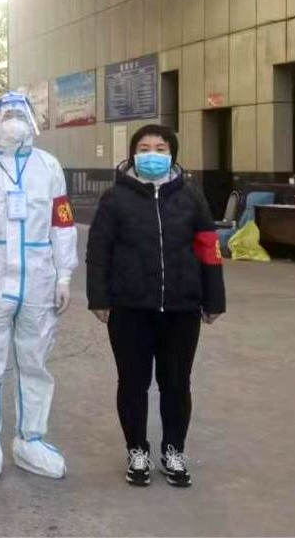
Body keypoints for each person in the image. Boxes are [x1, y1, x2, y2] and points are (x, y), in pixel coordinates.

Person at [0, 91, 78, 484]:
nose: (13, 120)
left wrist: (64, 274)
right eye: (6, 114)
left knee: (35, 363)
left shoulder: (48, 166)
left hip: (39, 278)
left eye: (20, 113)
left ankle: (30, 440)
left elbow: (61, 222)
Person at [86, 124, 225, 488]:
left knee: (176, 383)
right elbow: (98, 251)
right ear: (133, 154)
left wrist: (214, 298)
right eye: (145, 148)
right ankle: (137, 450)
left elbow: (209, 248)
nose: (152, 155)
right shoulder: (115, 198)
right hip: (129, 307)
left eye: (160, 149)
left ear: (172, 154)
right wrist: (99, 297)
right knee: (133, 383)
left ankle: (173, 451)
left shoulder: (191, 196)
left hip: (181, 307)